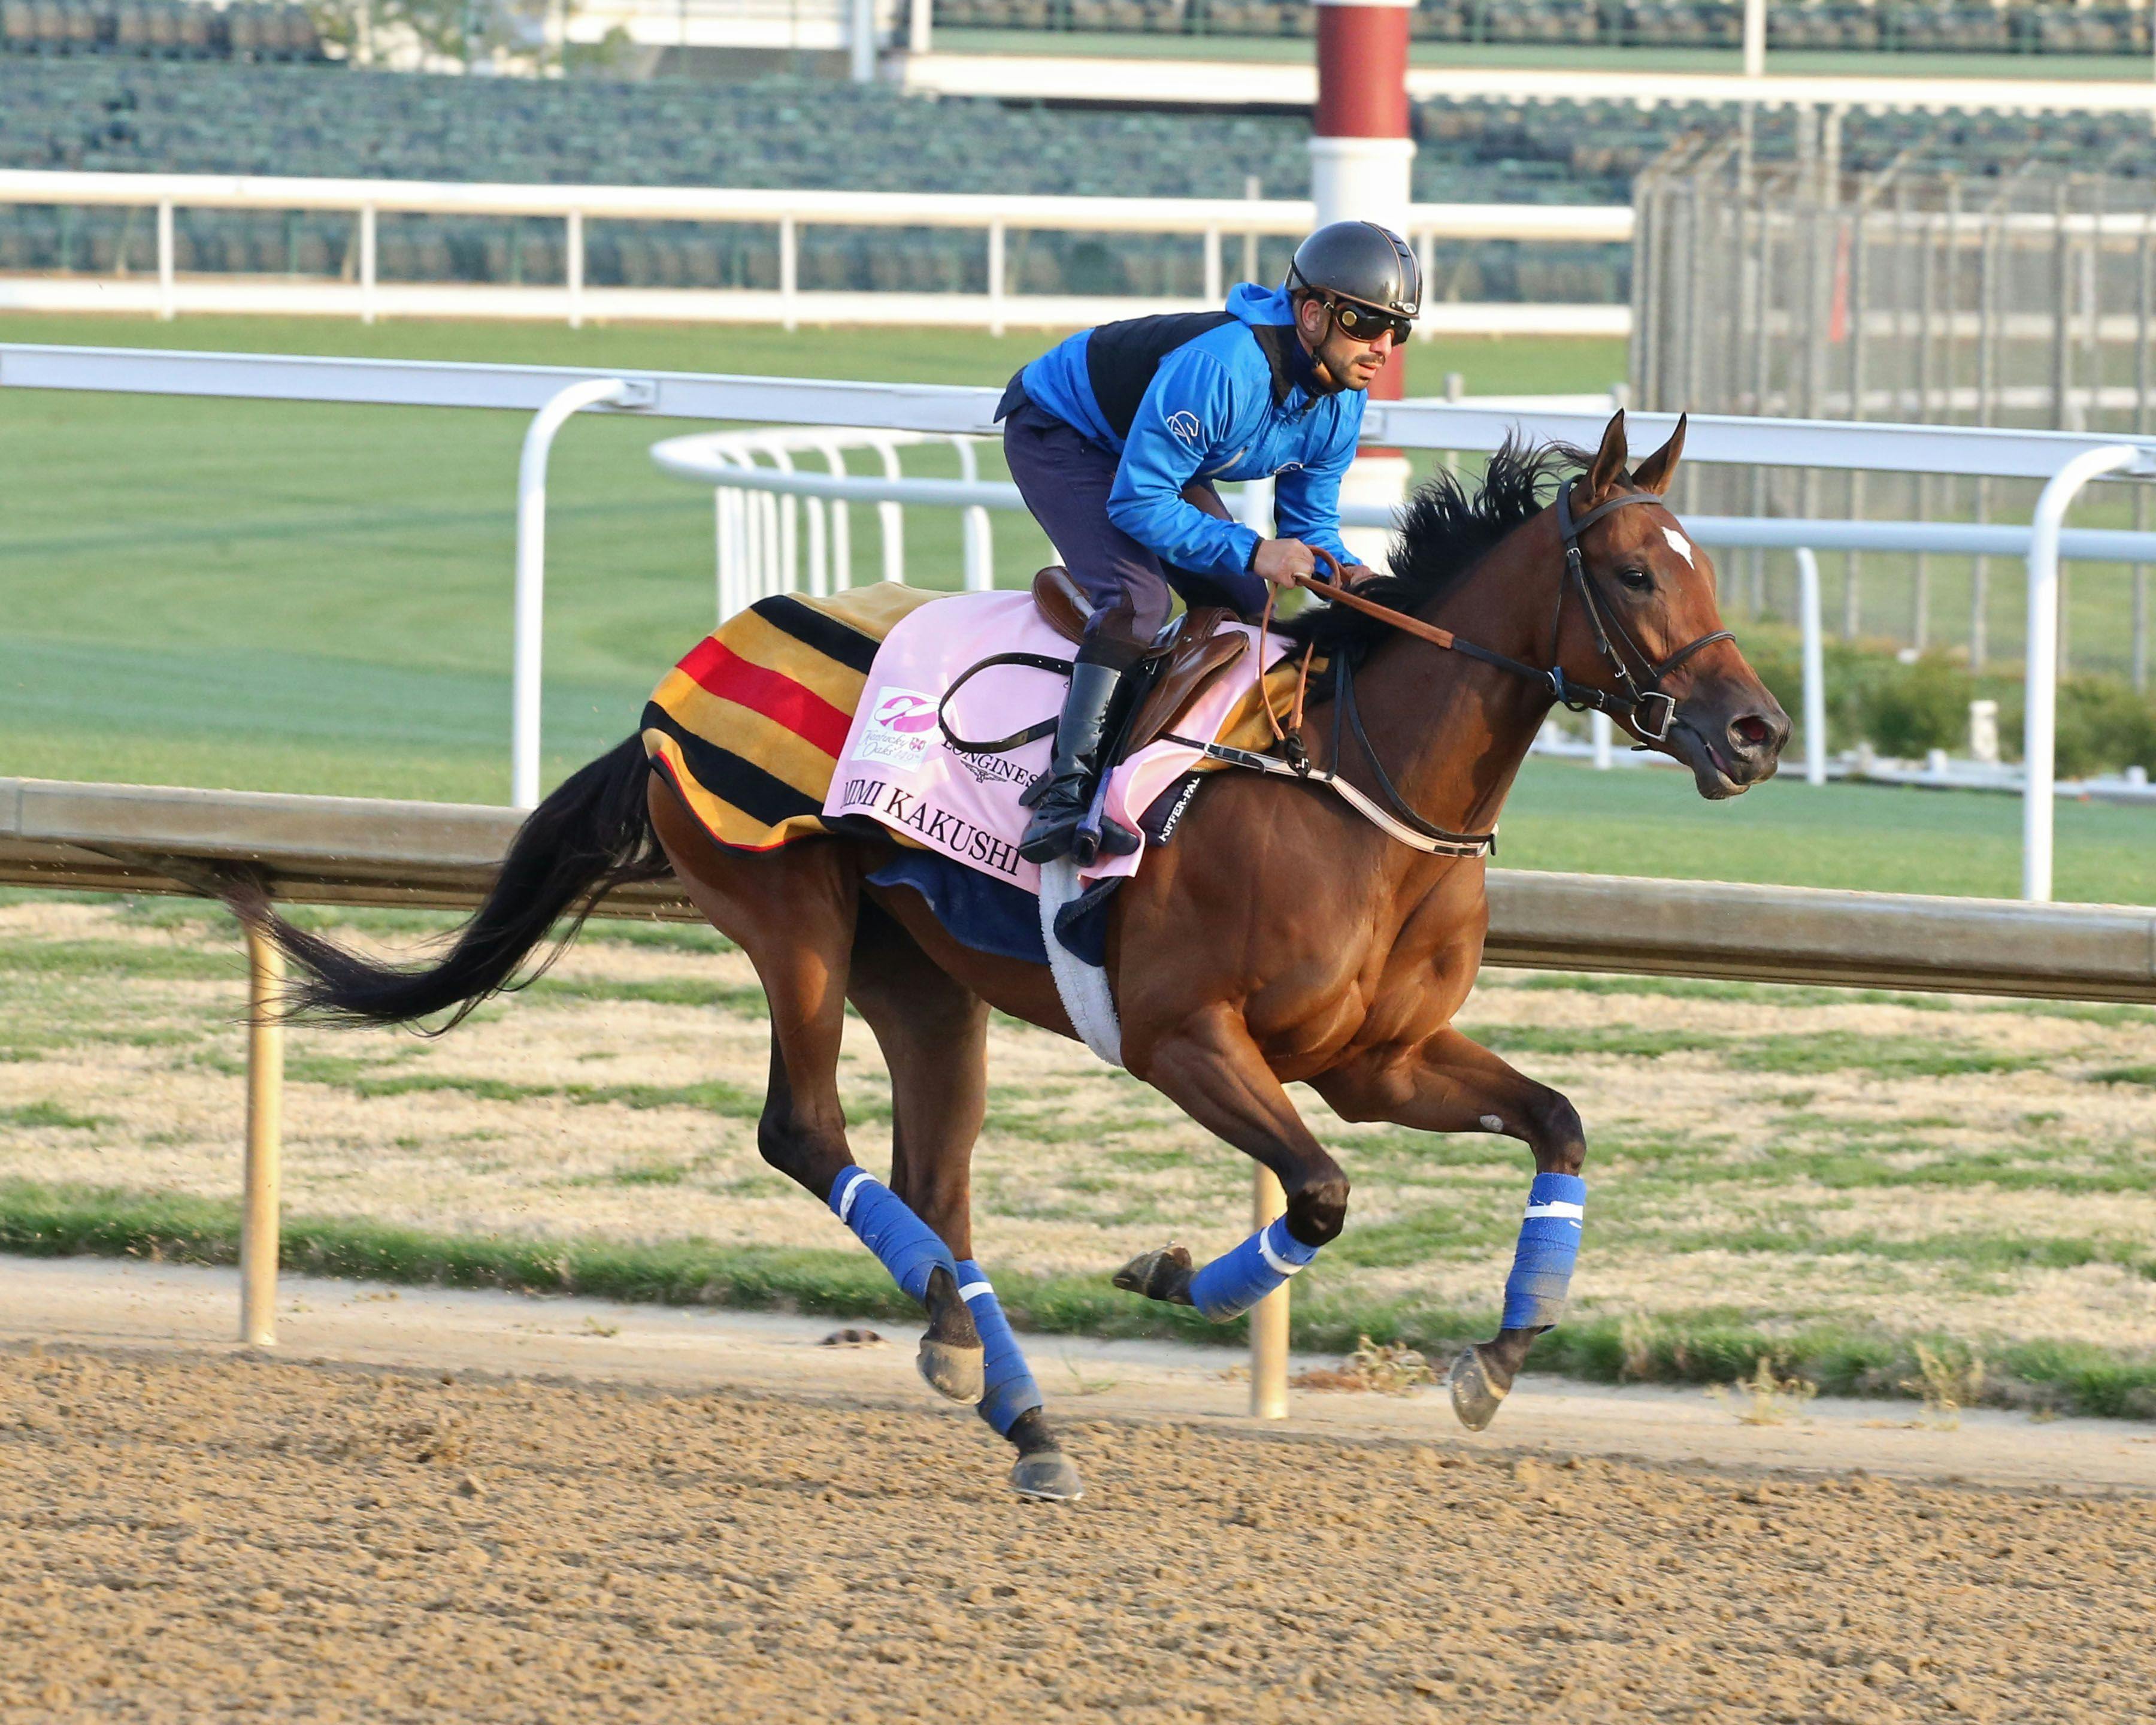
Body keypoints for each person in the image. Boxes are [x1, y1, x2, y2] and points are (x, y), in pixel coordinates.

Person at [997, 219, 1422, 865]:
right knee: (1138, 599)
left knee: (1247, 596)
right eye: (1365, 324)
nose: (1383, 347)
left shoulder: (1342, 397)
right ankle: (1067, 791)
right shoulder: (1222, 367)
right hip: (1062, 431)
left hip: (1150, 452)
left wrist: (1353, 579)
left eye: (1399, 329)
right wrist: (1255, 548)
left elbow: (1310, 531)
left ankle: (1179, 761)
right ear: (1312, 314)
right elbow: (1138, 500)